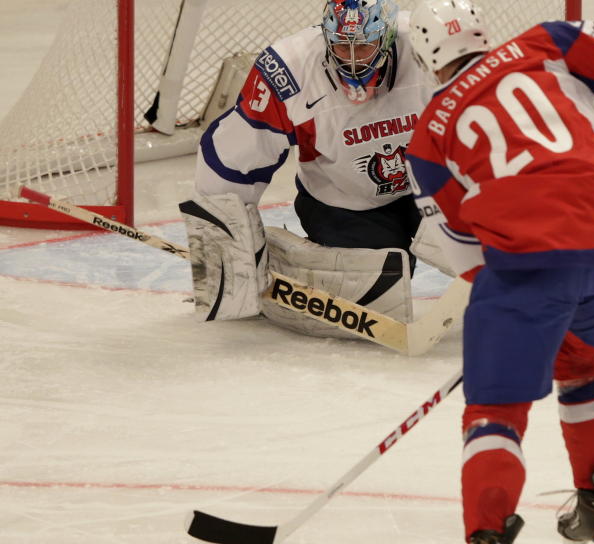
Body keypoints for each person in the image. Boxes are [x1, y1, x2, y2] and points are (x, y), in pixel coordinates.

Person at [405, 1, 594, 544]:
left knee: (496, 406)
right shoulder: (548, 41)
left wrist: (518, 325)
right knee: (585, 366)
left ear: (425, 59)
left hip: (535, 258)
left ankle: (488, 531)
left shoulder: (427, 141)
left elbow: (470, 259)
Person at [178, 0, 451, 336]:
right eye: (340, 45)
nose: (351, 59)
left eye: (364, 45)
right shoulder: (289, 70)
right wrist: (223, 254)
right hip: (344, 204)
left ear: (389, 36)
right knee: (376, 297)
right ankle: (286, 263)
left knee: (485, 245)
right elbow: (230, 158)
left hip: (431, 186)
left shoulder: (430, 44)